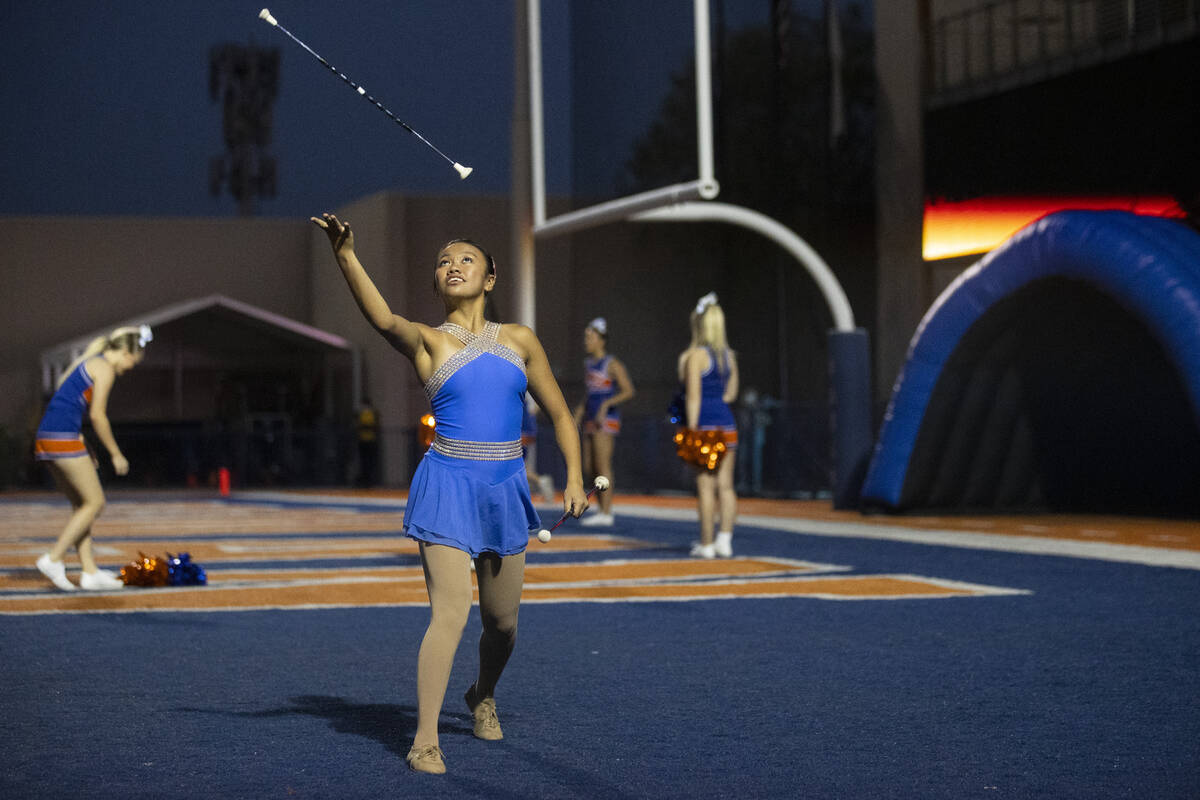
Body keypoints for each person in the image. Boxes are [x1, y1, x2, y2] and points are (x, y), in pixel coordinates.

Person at [311, 212, 587, 776]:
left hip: (506, 487)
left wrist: (575, 477)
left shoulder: (520, 341)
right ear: (437, 283)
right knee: (450, 614)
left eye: (466, 258)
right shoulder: (428, 342)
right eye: (443, 261)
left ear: (489, 279)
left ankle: (481, 694)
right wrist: (345, 255)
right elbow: (383, 317)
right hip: (447, 484)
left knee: (503, 624)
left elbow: (559, 413)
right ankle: (426, 738)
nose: (452, 265)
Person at [33, 325, 151, 591]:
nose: (131, 366)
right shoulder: (104, 368)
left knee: (82, 506)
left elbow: (66, 404)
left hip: (49, 435)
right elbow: (98, 415)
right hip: (62, 435)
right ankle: (53, 558)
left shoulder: (90, 363)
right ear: (123, 352)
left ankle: (90, 572)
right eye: (133, 360)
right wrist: (116, 453)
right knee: (95, 503)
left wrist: (84, 445)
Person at [676, 293, 739, 558]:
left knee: (705, 487)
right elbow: (731, 394)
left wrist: (691, 429)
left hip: (705, 426)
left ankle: (707, 543)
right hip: (727, 423)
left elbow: (693, 397)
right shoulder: (729, 356)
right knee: (726, 486)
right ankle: (725, 539)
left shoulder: (695, 357)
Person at [571, 317, 634, 526]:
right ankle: (600, 507)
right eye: (586, 337)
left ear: (602, 340)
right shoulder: (588, 363)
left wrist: (607, 404)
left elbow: (628, 391)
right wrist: (579, 411)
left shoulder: (612, 364)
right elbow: (590, 392)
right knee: (589, 466)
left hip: (605, 420)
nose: (586, 341)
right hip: (590, 417)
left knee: (602, 464)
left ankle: (607, 512)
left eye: (590, 337)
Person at [521, 400, 555, 503]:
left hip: (522, 428)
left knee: (514, 465)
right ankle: (540, 481)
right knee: (519, 465)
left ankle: (540, 481)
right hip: (527, 427)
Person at [356, 397, 380, 486]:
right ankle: (365, 480)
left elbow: (375, 426)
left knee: (369, 462)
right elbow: (358, 426)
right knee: (364, 462)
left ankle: (369, 480)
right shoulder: (361, 413)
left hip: (370, 441)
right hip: (363, 441)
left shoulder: (372, 413)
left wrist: (366, 427)